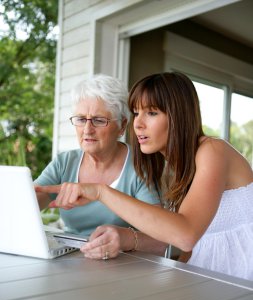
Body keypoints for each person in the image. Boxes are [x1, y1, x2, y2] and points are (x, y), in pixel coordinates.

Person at [35, 72, 253, 281]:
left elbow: (185, 235)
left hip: (242, 271)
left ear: (178, 116)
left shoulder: (213, 150)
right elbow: (198, 242)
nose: (138, 123)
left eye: (151, 112)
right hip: (210, 267)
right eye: (136, 112)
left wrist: (101, 192)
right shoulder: (177, 167)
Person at [35, 73, 167, 259]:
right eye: (81, 119)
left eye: (98, 120)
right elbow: (25, 204)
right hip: (69, 258)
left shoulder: (140, 167)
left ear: (121, 126)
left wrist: (125, 239)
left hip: (122, 264)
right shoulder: (65, 162)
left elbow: (161, 242)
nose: (87, 130)